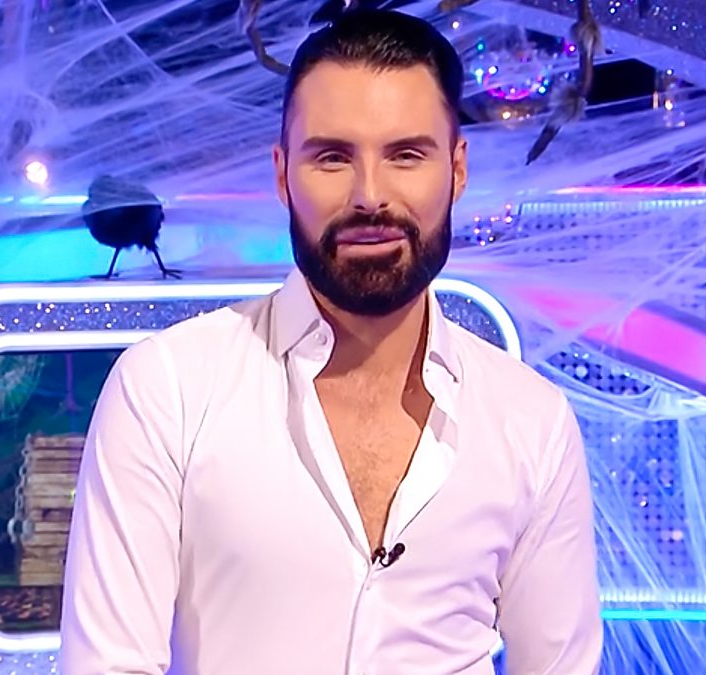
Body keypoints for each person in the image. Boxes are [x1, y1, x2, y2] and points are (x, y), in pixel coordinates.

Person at [59, 8, 601, 674]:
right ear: (282, 173)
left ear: (457, 169)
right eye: (333, 158)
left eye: (406, 155)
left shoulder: (531, 420)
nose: (370, 196)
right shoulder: (167, 389)